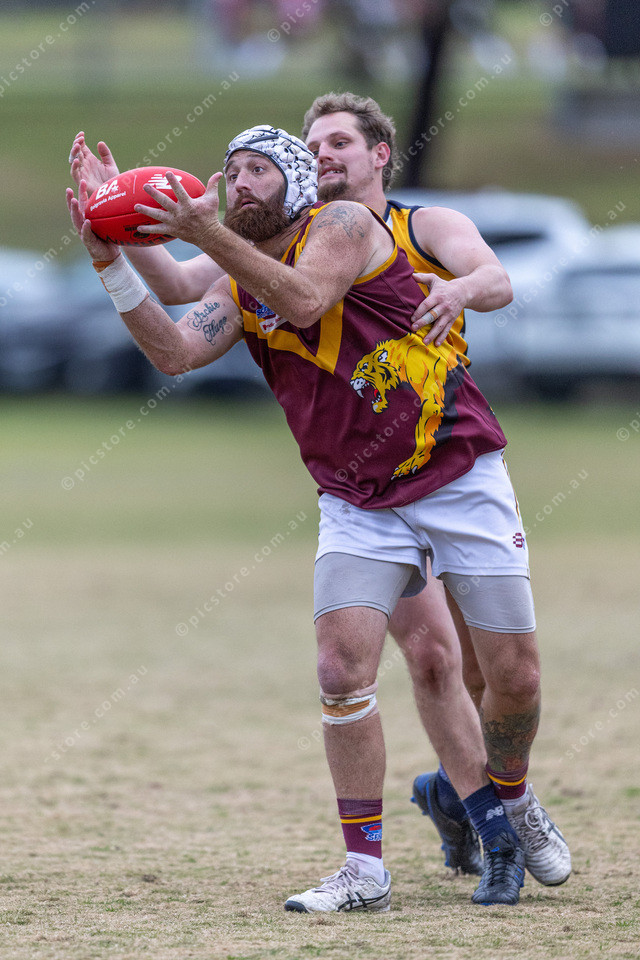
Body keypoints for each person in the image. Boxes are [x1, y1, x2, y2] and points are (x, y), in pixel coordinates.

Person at [67, 123, 570, 911]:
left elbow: (303, 298)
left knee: (515, 677)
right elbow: (173, 351)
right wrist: (109, 257)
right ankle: (364, 871)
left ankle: (512, 795)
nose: (240, 182)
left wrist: (203, 231)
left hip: (455, 471)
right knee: (341, 671)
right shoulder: (238, 279)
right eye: (231, 170)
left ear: (298, 185)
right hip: (355, 497)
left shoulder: (342, 224)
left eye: (259, 169)